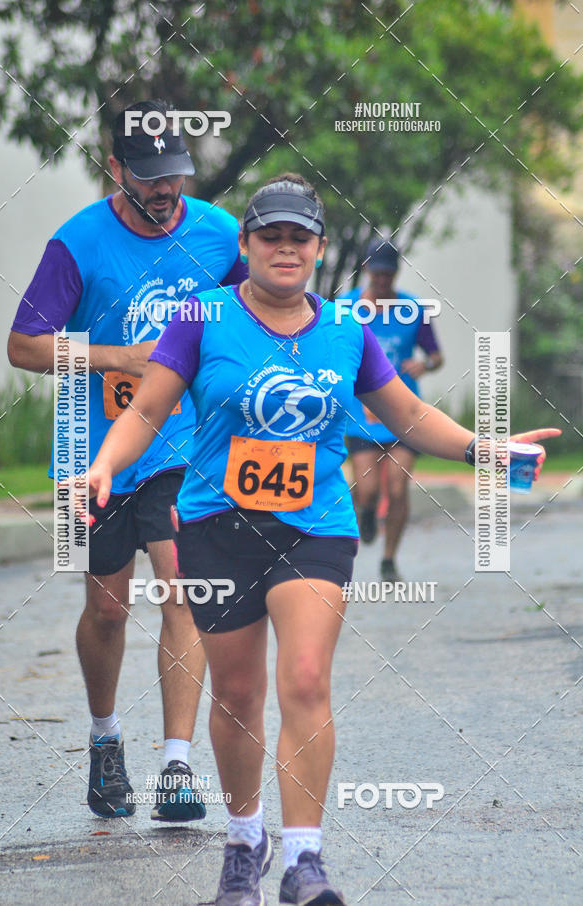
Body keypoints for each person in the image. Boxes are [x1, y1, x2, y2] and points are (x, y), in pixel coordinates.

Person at [83, 172, 559, 906]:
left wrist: (484, 447)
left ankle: (306, 861)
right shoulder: (202, 316)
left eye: (297, 236)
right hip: (215, 527)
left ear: (318, 248)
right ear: (246, 245)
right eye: (268, 235)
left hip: (316, 528)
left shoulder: (346, 329)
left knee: (305, 679)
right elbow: (147, 410)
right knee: (238, 696)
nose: (283, 247)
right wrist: (105, 466)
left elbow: (405, 414)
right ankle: (246, 842)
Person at [7, 99, 247, 822]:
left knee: (182, 589)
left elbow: (249, 310)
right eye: (148, 178)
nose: (164, 190)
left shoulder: (220, 233)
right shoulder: (77, 244)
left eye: (174, 174)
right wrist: (118, 356)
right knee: (107, 608)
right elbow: (23, 346)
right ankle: (105, 740)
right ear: (115, 170)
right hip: (91, 449)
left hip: (184, 444)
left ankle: (177, 767)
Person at [342, 240, 443, 581]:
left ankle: (388, 559)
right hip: (362, 411)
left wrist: (424, 364)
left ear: (396, 272)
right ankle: (366, 511)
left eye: (389, 273)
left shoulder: (413, 308)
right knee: (367, 488)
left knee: (398, 487)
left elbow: (436, 355)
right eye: (377, 272)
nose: (382, 280)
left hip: (403, 410)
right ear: (367, 269)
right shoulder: (345, 307)